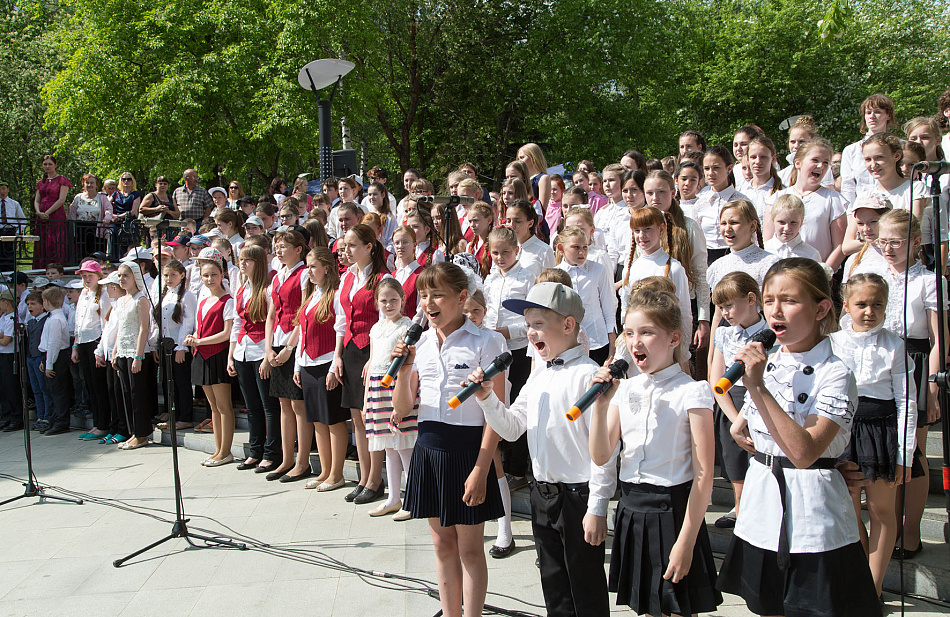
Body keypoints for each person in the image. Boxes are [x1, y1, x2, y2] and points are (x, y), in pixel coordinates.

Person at [717, 258, 881, 617]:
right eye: (770, 299)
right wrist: (741, 422)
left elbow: (804, 451)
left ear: (821, 308)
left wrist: (756, 387)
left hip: (812, 511)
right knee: (767, 606)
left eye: (789, 300)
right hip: (763, 504)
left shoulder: (836, 373)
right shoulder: (769, 360)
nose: (776, 310)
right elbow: (754, 424)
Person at [471, 282, 616, 616]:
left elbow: (605, 451)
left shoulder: (588, 376)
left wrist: (597, 507)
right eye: (527, 325)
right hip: (543, 495)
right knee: (554, 587)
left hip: (578, 497)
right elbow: (511, 427)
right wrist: (486, 398)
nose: (530, 332)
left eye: (538, 324)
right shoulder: (538, 375)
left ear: (568, 325)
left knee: (586, 589)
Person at [588, 285, 720, 616]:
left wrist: (686, 543)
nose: (635, 342)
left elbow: (704, 476)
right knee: (645, 607)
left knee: (675, 608)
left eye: (647, 332)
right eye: (630, 333)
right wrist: (600, 407)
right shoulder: (625, 389)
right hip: (632, 509)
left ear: (674, 338)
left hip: (674, 512)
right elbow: (601, 455)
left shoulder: (692, 392)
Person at [389, 262, 506, 617]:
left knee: (470, 549)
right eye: (423, 295)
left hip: (469, 451)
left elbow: (497, 415)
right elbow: (404, 406)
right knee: (442, 544)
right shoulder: (420, 343)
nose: (428, 302)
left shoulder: (488, 341)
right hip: (428, 447)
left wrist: (481, 469)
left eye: (437, 294)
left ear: (461, 297)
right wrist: (404, 367)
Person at [829, 273, 917, 598]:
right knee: (848, 511)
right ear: (846, 305)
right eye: (861, 304)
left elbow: (907, 400)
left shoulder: (895, 345)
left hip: (881, 432)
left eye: (877, 304)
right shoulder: (834, 342)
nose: (869, 311)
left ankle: (873, 589)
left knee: (882, 510)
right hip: (843, 432)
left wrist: (905, 454)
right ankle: (855, 582)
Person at [875, 209, 942, 561]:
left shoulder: (928, 280)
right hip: (880, 361)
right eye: (882, 240)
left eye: (895, 242)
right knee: (887, 447)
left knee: (913, 451)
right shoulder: (873, 273)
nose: (887, 247)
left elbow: (939, 339)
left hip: (916, 361)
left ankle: (911, 532)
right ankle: (886, 530)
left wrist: (931, 384)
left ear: (915, 242)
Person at [331, 224, 392, 503]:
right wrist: (337, 357)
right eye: (345, 246)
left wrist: (376, 357)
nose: (347, 250)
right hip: (351, 350)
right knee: (357, 416)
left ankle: (376, 479)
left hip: (373, 350)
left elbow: (386, 320)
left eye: (353, 245)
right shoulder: (347, 278)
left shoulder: (382, 277)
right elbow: (341, 321)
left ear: (369, 246)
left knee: (372, 418)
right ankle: (365, 477)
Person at [708, 272, 769, 528]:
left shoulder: (769, 334)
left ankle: (759, 509)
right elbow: (716, 381)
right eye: (721, 308)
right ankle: (739, 505)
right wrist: (735, 420)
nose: (725, 313)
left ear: (751, 299)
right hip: (731, 404)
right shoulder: (725, 334)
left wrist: (744, 418)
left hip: (759, 402)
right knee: (734, 459)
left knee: (758, 456)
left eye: (729, 305)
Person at [292, 247, 348, 491]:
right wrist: (297, 364)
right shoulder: (312, 294)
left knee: (333, 420)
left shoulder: (335, 294)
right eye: (307, 266)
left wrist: (334, 367)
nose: (309, 271)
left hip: (326, 362)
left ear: (327, 267)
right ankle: (325, 471)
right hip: (307, 363)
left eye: (313, 266)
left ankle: (337, 473)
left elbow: (340, 330)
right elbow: (303, 332)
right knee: (316, 421)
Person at [362, 278, 418, 517]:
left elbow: (412, 368)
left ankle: (413, 499)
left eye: (394, 299)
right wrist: (366, 401)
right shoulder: (376, 328)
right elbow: (373, 362)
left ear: (403, 300)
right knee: (388, 447)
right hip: (377, 388)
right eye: (383, 300)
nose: (388, 304)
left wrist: (404, 401)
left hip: (397, 387)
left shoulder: (407, 327)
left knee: (404, 445)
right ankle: (394, 497)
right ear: (376, 303)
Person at [228, 245, 282, 472]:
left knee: (269, 406)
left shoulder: (267, 289)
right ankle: (255, 450)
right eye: (241, 260)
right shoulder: (242, 289)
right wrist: (231, 355)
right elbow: (237, 323)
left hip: (260, 351)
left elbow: (272, 322)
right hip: (242, 350)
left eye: (247, 260)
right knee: (251, 406)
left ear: (258, 263)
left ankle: (271, 453)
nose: (243, 264)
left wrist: (267, 357)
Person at [263, 229, 311, 481]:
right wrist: (268, 347)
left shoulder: (304, 275)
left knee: (298, 404)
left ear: (298, 249)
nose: (279, 250)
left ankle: (302, 461)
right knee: (283, 403)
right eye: (277, 246)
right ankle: (286, 458)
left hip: (295, 345)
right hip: (277, 344)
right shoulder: (277, 276)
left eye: (284, 246)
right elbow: (272, 314)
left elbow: (303, 314)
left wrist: (288, 348)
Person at [185, 249, 236, 466]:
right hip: (201, 354)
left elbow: (226, 333)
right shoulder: (203, 299)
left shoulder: (228, 300)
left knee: (224, 406)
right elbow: (201, 328)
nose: (209, 279)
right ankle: (217, 450)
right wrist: (194, 337)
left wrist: (199, 342)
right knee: (213, 407)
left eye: (214, 275)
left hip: (217, 354)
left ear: (222, 275)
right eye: (206, 275)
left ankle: (226, 451)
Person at [768, 139, 846, 270]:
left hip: (815, 272)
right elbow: (768, 239)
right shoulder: (777, 197)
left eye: (826, 162)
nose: (821, 166)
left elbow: (839, 246)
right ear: (798, 163)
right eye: (815, 160)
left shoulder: (833, 198)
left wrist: (823, 273)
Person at [555, 226, 616, 365]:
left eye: (585, 247)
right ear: (561, 248)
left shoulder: (598, 270)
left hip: (597, 340)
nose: (582, 252)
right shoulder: (556, 273)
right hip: (569, 342)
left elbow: (608, 307)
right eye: (576, 247)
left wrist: (612, 346)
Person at [111, 263, 155, 450]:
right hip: (122, 349)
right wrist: (114, 351)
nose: (121, 279)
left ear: (135, 277)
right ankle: (133, 432)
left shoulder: (141, 299)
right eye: (120, 276)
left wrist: (138, 357)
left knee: (138, 394)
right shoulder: (122, 300)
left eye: (125, 275)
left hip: (136, 352)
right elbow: (121, 328)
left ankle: (142, 433)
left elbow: (143, 328)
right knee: (127, 394)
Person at [151, 259, 197, 431]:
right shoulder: (165, 295)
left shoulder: (187, 295)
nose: (169, 278)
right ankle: (174, 414)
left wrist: (181, 347)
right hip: (165, 344)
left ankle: (185, 416)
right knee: (169, 383)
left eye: (173, 275)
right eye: (166, 275)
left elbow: (188, 322)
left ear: (182, 275)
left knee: (181, 382)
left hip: (178, 345)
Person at [72, 260, 112, 441]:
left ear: (98, 276)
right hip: (83, 342)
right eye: (84, 276)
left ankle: (103, 424)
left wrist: (101, 349)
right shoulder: (83, 293)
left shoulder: (102, 294)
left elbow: (105, 323)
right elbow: (78, 323)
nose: (87, 279)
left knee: (99, 385)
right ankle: (97, 423)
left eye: (90, 275)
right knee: (90, 385)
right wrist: (75, 346)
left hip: (96, 342)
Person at [690, 146, 749, 265]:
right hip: (707, 259)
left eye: (716, 168)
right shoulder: (701, 203)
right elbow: (696, 238)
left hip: (736, 257)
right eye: (707, 168)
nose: (710, 173)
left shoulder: (741, 200)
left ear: (729, 168)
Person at [841, 94, 896, 207]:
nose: (872, 116)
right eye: (868, 112)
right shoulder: (851, 150)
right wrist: (850, 212)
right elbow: (848, 186)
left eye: (877, 112)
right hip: (862, 209)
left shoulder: (900, 146)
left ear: (888, 115)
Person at [95, 273, 129, 444]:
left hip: (119, 355)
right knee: (111, 393)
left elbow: (120, 333)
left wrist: (114, 352)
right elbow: (106, 331)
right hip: (109, 355)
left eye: (107, 286)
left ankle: (123, 428)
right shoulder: (113, 307)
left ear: (115, 287)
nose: (105, 290)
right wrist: (99, 351)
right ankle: (114, 427)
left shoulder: (122, 306)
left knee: (119, 393)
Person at [38, 287, 72, 436]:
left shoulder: (56, 319)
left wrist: (49, 364)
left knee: (58, 391)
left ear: (46, 301)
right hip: (49, 356)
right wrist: (44, 361)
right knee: (51, 391)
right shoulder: (52, 318)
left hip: (57, 357)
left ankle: (61, 422)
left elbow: (54, 343)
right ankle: (54, 419)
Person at [33, 155, 72, 268]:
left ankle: (57, 269)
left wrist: (47, 213)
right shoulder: (41, 182)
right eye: (45, 164)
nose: (47, 166)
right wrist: (39, 212)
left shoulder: (62, 180)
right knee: (42, 242)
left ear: (55, 165)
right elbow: (37, 200)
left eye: (50, 164)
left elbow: (61, 200)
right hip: (41, 216)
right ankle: (41, 268)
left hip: (55, 215)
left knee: (55, 241)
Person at [842, 193, 890, 282]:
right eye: (860, 223)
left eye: (873, 222)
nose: (866, 229)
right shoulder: (853, 260)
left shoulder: (895, 256)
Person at [593, 164, 629, 273]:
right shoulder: (602, 212)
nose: (607, 185)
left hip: (621, 265)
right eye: (604, 181)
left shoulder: (628, 211)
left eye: (612, 180)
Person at [764, 194, 822, 261]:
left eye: (793, 223)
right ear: (773, 219)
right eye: (782, 222)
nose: (787, 228)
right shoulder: (763, 250)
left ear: (801, 221)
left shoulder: (810, 254)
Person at [506, 199, 554, 278]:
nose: (511, 225)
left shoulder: (544, 250)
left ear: (530, 223)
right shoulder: (504, 247)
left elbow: (550, 284)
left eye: (517, 221)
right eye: (508, 221)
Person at [68, 173, 113, 256]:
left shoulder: (102, 197)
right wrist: (71, 229)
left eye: (92, 183)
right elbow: (72, 213)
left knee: (96, 254)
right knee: (81, 254)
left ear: (96, 185)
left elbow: (108, 209)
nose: (89, 185)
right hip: (80, 230)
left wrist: (107, 217)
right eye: (87, 182)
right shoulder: (78, 197)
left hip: (97, 230)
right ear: (83, 184)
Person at [25, 291, 51, 432]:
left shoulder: (46, 320)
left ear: (42, 306)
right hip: (30, 357)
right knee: (36, 389)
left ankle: (47, 416)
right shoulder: (30, 322)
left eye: (33, 304)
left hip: (39, 357)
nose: (30, 306)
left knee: (44, 388)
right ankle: (40, 416)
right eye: (28, 304)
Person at [743, 135, 784, 224]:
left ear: (773, 158)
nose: (758, 161)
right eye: (753, 157)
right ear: (747, 159)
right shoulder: (742, 192)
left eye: (763, 157)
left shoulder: (782, 192)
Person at [0, 289, 22, 432]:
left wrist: (1, 337)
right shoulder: (3, 317)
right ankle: (6, 415)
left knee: (11, 387)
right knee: (3, 388)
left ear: (6, 302)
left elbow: (6, 340)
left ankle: (16, 417)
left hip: (10, 356)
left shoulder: (13, 318)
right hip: (2, 356)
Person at [391, 226, 421, 318]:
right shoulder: (393, 276)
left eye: (405, 242)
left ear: (414, 245)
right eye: (397, 243)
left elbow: (421, 310)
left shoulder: (421, 274)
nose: (400, 246)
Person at [466, 202, 493, 277]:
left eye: (476, 220)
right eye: (470, 221)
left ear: (489, 220)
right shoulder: (470, 246)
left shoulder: (495, 245)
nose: (472, 225)